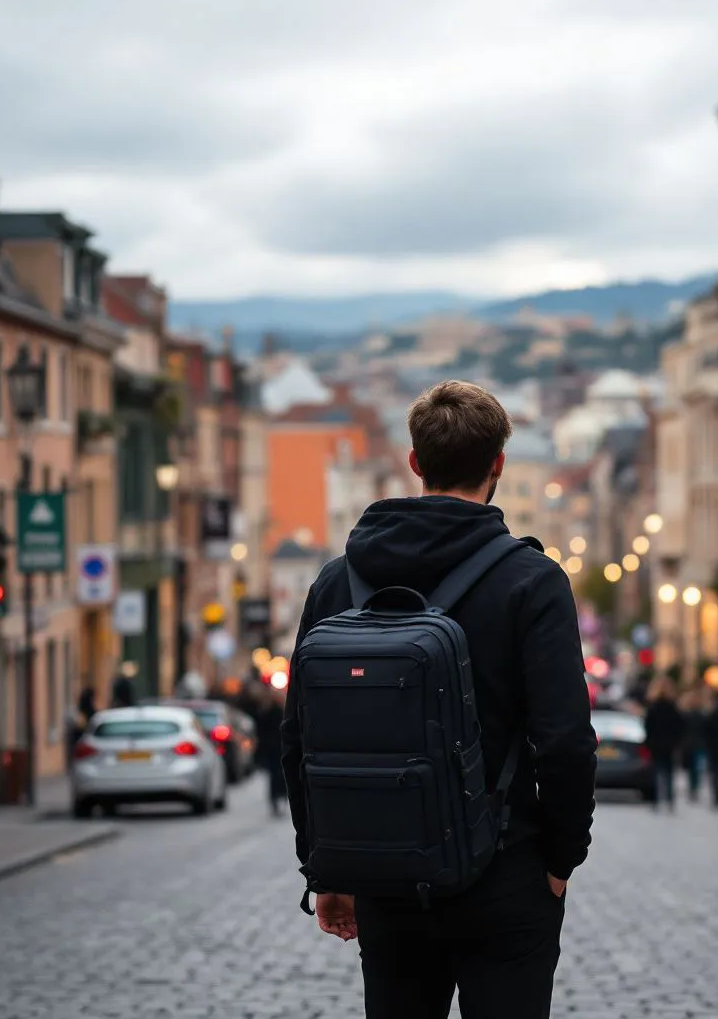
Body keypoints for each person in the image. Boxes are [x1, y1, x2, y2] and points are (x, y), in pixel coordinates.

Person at [281, 380, 597, 1019]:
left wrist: (326, 868)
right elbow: (564, 739)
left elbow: (301, 739)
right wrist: (561, 858)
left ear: (415, 461)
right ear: (498, 464)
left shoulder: (338, 582)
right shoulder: (531, 581)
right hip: (504, 867)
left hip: (386, 870)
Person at [644, 678, 685, 810]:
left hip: (656, 745)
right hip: (670, 745)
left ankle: (656, 799)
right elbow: (680, 727)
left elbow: (648, 727)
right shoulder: (673, 708)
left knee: (656, 772)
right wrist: (677, 742)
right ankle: (669, 799)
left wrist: (648, 742)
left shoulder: (653, 708)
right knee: (669, 772)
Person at [255, 683, 286, 817]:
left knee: (276, 774)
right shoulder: (277, 711)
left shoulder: (268, 711)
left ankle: (277, 796)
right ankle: (279, 796)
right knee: (278, 773)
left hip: (274, 747)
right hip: (277, 747)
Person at [679, 689, 707, 803]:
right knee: (696, 769)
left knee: (692, 770)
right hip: (698, 745)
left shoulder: (685, 716)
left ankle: (693, 788)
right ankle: (694, 788)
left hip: (690, 745)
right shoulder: (702, 715)